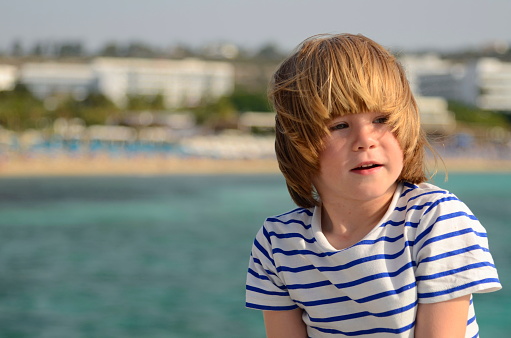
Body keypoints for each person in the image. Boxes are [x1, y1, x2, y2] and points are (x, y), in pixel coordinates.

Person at [245, 33, 501, 338]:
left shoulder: (435, 221)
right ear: (298, 143)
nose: (365, 141)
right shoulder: (279, 243)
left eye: (381, 120)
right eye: (339, 125)